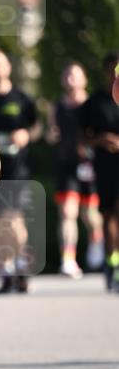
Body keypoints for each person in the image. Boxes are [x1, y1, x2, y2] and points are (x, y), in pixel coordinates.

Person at [0, 48, 39, 293]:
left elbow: (37, 127)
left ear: (8, 67)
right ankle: (7, 272)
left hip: (17, 171)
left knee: (13, 220)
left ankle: (21, 265)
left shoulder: (22, 98)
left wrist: (26, 134)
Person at [46, 62, 104, 277]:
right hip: (66, 165)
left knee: (90, 214)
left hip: (89, 165)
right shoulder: (57, 107)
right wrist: (51, 135)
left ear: (84, 79)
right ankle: (68, 259)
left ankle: (97, 238)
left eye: (75, 75)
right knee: (67, 213)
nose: (71, 79)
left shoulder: (92, 104)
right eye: (67, 75)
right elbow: (50, 132)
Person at [79, 53, 119, 292]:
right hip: (104, 165)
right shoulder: (94, 103)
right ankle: (111, 263)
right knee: (108, 216)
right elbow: (82, 138)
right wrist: (101, 141)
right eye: (112, 70)